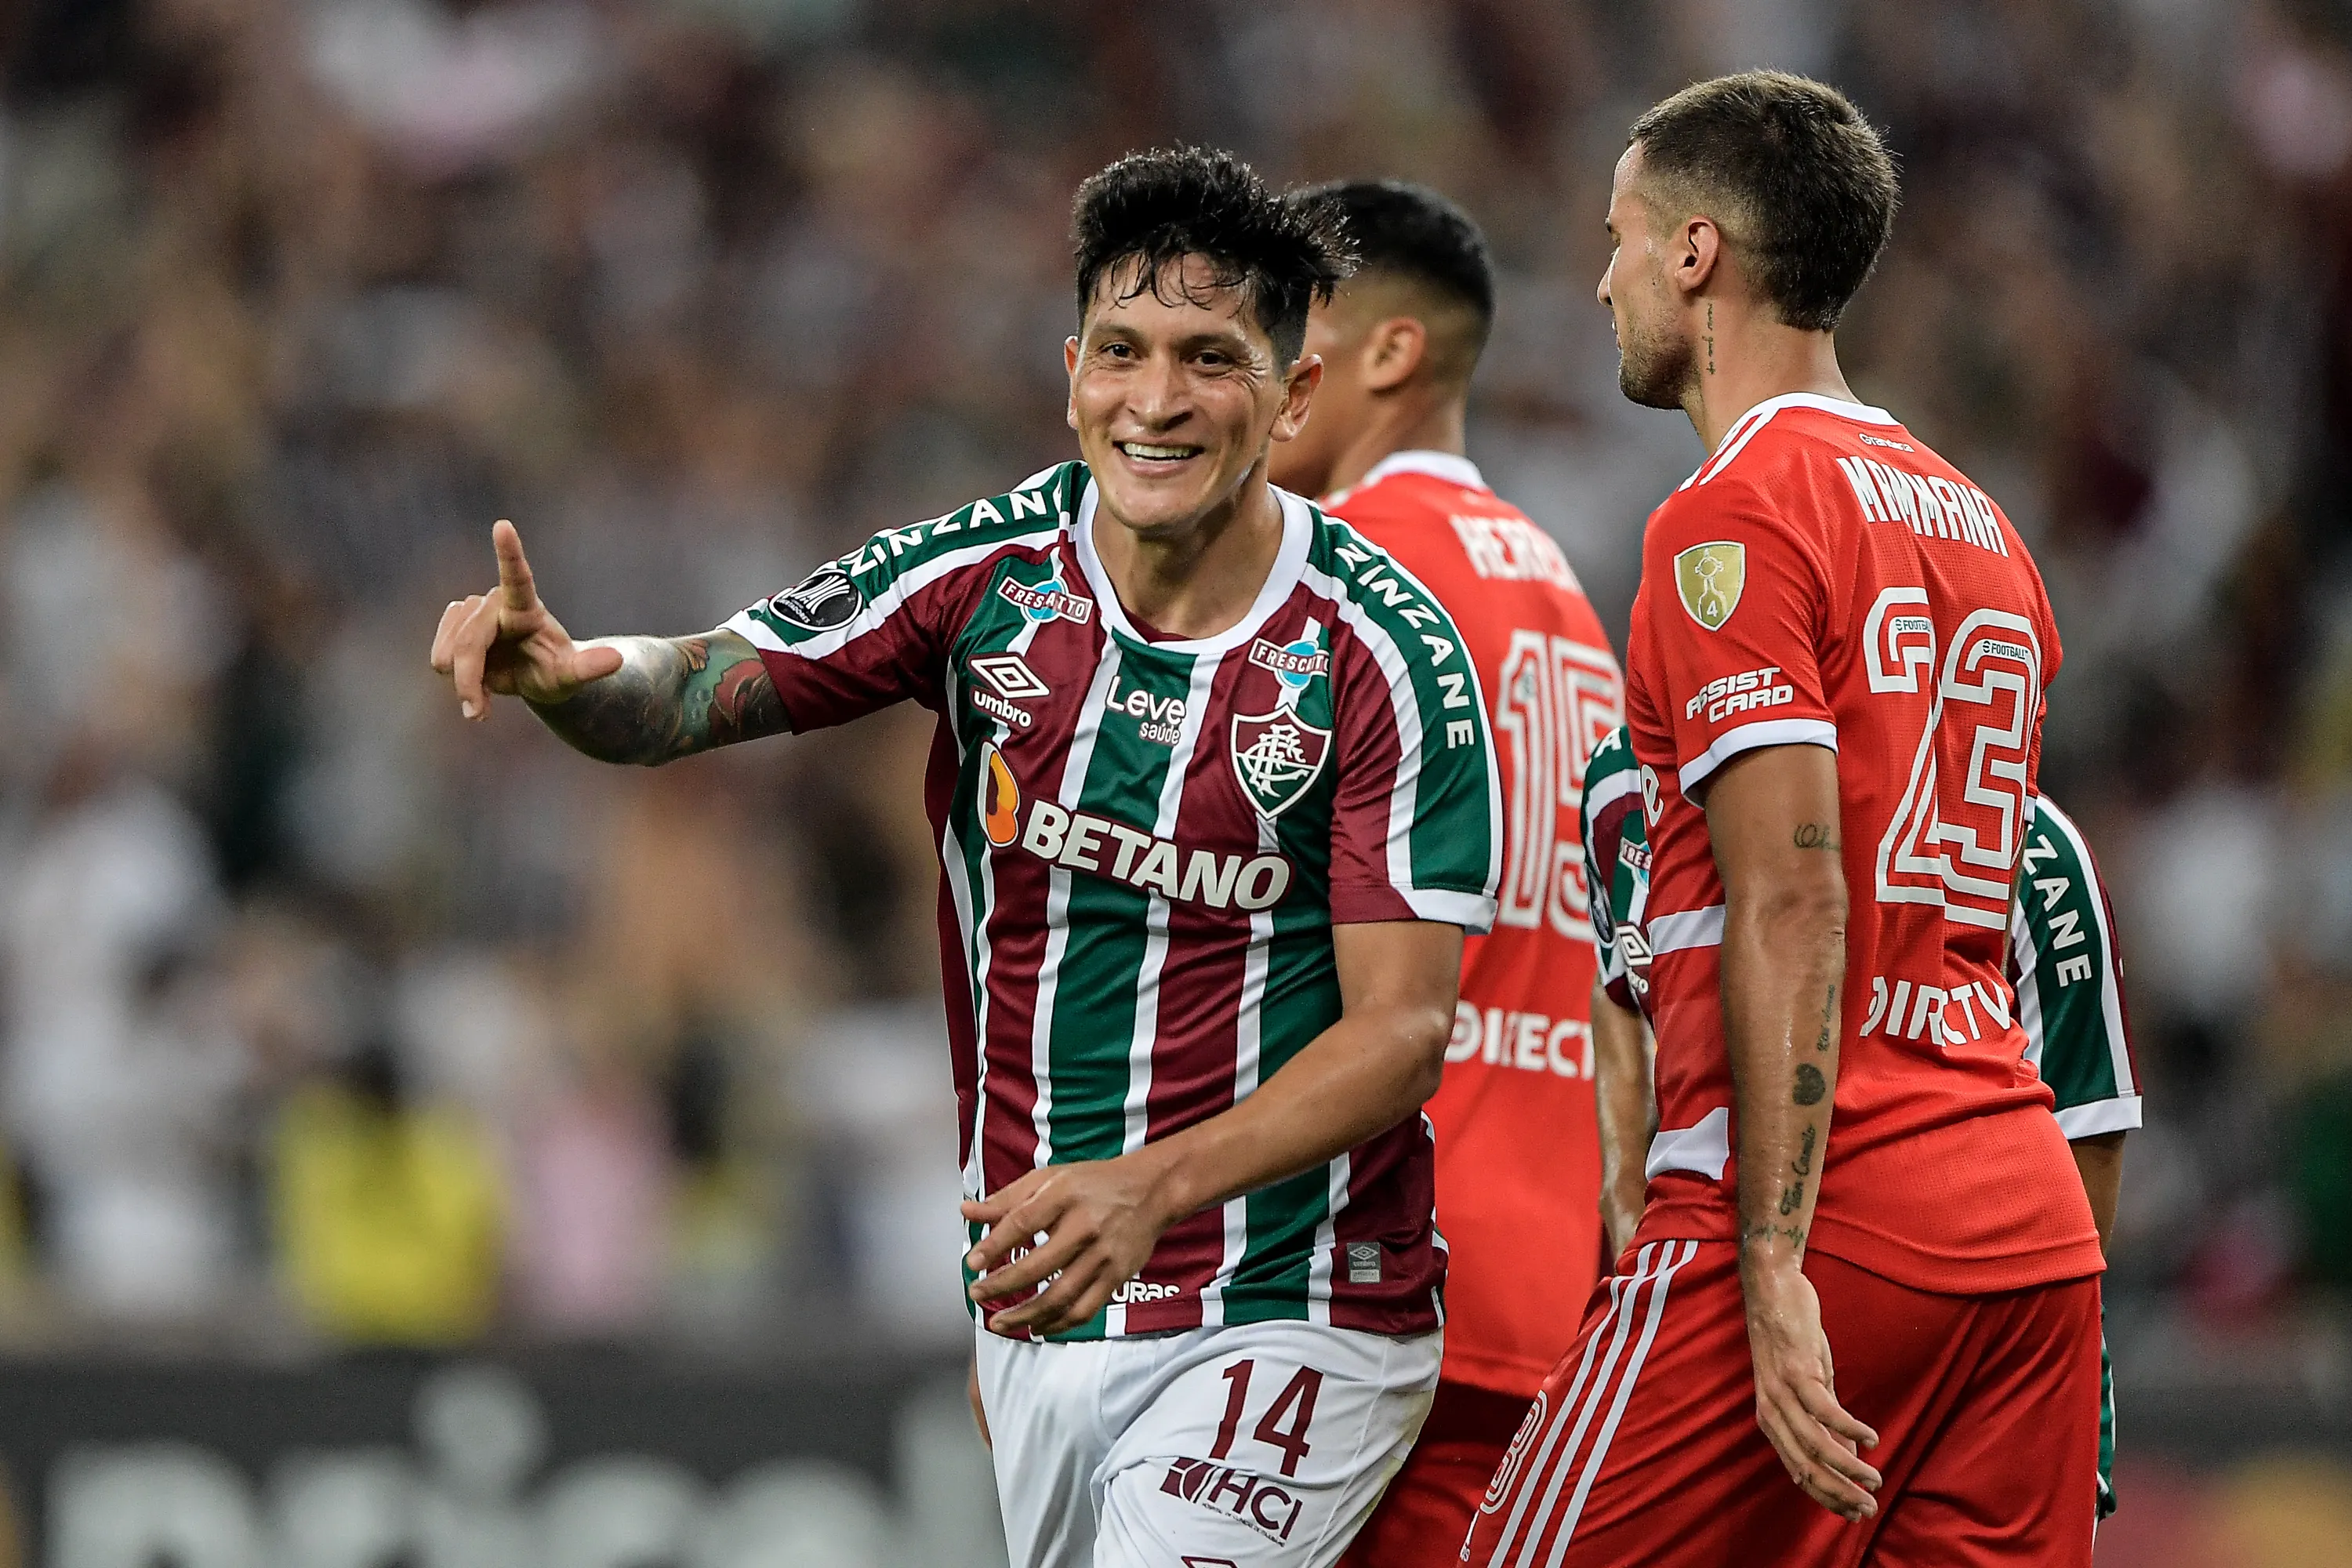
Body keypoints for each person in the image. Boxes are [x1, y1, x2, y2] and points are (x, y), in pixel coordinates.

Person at [428, 146, 1502, 1567]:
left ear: (1295, 394)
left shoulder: (1385, 654)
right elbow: (700, 685)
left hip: (1294, 1308)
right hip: (1042, 1302)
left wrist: (1157, 1183)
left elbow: (1406, 1033)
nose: (1157, 401)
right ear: (1071, 373)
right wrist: (570, 674)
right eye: (1121, 352)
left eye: (1209, 358)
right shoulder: (988, 577)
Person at [1465, 72, 2108, 1566]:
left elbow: (1799, 896)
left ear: (1697, 254)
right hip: (2020, 1226)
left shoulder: (1734, 512)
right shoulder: (1981, 523)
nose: (1603, 274)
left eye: (1619, 236)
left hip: (1825, 1202)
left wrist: (1767, 1256)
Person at [1263, 180, 1624, 1566]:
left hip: (1357, 1271)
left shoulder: (1341, 577)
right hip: (1542, 1284)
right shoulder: (1566, 596)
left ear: (1390, 353)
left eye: (1287, 321)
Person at [1580, 722, 2141, 1519]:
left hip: (1933, 1364)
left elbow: (2091, 1148)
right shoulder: (1620, 779)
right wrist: (1637, 1231)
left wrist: (1896, 1336)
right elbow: (1621, 999)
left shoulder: (2035, 852)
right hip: (1725, 1316)